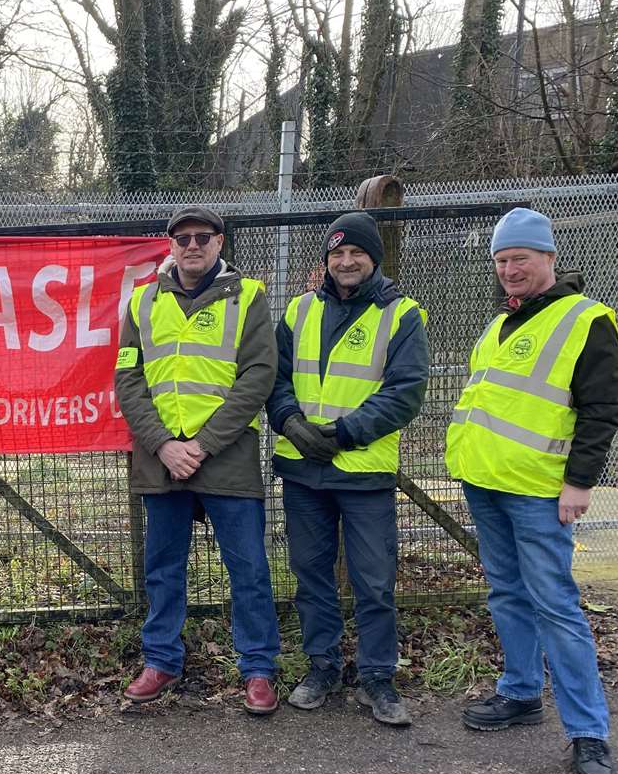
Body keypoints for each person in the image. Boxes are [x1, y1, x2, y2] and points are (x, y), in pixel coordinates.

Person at [447, 208, 618, 774]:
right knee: (506, 591)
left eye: (520, 257)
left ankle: (588, 733)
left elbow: (600, 410)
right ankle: (521, 691)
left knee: (557, 604)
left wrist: (580, 482)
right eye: (500, 260)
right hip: (487, 482)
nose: (509, 269)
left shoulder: (586, 320)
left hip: (540, 491)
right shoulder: (503, 324)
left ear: (549, 257)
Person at [114, 206, 283, 713]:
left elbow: (258, 376)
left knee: (249, 567)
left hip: (226, 456)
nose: (192, 245)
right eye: (182, 237)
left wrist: (203, 443)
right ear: (170, 245)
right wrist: (164, 443)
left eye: (202, 237)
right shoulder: (143, 301)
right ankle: (160, 659)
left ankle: (258, 668)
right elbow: (128, 377)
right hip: (160, 457)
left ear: (219, 242)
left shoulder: (248, 297)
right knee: (163, 566)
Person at [266, 212, 429, 726]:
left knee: (374, 581)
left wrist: (341, 434)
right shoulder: (298, 310)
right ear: (326, 260)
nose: (346, 261)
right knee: (311, 575)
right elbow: (275, 377)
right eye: (337, 253)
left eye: (355, 252)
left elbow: (405, 393)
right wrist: (290, 422)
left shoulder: (401, 315)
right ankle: (323, 666)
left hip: (362, 472)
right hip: (302, 471)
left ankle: (378, 676)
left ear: (373, 258)